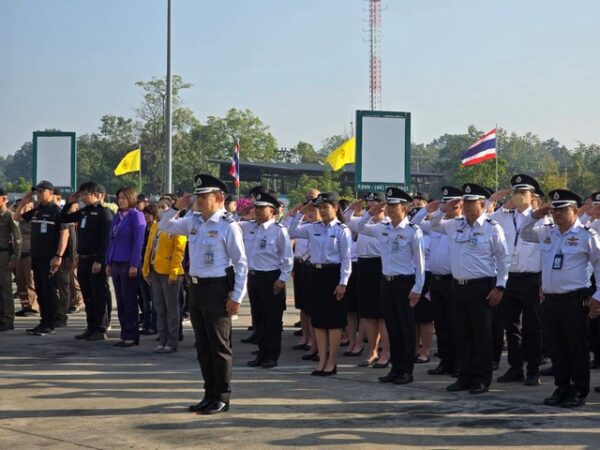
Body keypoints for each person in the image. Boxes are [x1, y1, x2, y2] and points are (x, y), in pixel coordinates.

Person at [160, 174, 247, 415]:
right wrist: (176, 207)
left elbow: (241, 264)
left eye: (204, 196)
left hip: (217, 288)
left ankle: (222, 397)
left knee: (219, 346)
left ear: (218, 198)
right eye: (197, 196)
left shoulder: (228, 225)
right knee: (203, 345)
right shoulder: (194, 221)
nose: (198, 200)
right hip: (196, 288)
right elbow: (165, 226)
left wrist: (236, 297)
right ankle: (209, 393)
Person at [521, 189, 600, 408]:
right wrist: (536, 214)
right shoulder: (548, 232)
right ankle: (562, 387)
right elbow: (524, 233)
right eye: (554, 210)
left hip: (575, 300)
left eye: (562, 210)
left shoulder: (587, 235)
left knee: (577, 348)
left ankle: (579, 389)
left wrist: (598, 296)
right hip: (550, 300)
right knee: (557, 347)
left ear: (574, 211)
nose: (556, 214)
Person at [430, 183, 510, 394]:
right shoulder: (455, 225)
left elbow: (503, 259)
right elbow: (433, 225)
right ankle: (464, 376)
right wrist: (444, 209)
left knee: (481, 334)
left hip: (481, 287)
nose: (465, 206)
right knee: (462, 333)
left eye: (470, 202)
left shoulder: (492, 227)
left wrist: (500, 286)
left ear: (482, 204)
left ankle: (481, 378)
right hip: (458, 286)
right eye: (464, 202)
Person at [356, 187, 425, 385]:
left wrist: (418, 288)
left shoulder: (413, 231)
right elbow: (359, 227)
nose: (390, 208)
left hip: (405, 282)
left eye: (395, 205)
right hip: (386, 282)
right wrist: (370, 212)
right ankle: (395, 368)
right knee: (392, 327)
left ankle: (406, 371)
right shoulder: (382, 228)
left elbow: (420, 262)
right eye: (389, 205)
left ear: (405, 208)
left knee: (406, 328)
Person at [486, 175, 545, 386]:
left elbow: (547, 252)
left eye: (523, 193)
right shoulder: (503, 217)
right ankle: (515, 367)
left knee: (532, 327)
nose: (519, 196)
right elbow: (483, 216)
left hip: (532, 278)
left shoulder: (542, 220)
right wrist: (493, 199)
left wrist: (544, 281)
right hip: (509, 278)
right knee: (510, 327)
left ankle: (533, 369)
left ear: (532, 196)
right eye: (516, 192)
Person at [289, 192, 352, 376]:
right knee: (318, 321)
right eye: (320, 207)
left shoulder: (342, 230)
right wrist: (302, 212)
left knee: (333, 322)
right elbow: (292, 231)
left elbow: (346, 259)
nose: (322, 211)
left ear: (336, 208)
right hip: (315, 274)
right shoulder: (312, 228)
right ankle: (322, 360)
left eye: (326, 207)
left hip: (333, 275)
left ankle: (331, 362)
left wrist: (343, 283)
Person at [239, 191, 293, 368]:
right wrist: (244, 210)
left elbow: (287, 258)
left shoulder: (278, 230)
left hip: (271, 278)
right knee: (258, 318)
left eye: (262, 208)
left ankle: (272, 355)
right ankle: (261, 353)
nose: (257, 211)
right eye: (256, 208)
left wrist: (282, 279)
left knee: (272, 319)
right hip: (254, 277)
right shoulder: (249, 226)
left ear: (272, 211)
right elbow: (230, 222)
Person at [413, 186, 463, 376]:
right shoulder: (435, 224)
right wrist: (428, 209)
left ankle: (458, 362)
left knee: (455, 323)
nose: (447, 207)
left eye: (451, 204)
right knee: (441, 323)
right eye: (445, 203)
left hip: (453, 280)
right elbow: (414, 222)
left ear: (459, 205)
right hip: (436, 280)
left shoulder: (462, 224)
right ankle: (445, 360)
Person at [59, 182, 114, 341]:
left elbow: (106, 239)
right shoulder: (84, 212)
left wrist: (100, 260)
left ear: (98, 195)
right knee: (88, 295)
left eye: (86, 194)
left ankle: (101, 328)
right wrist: (69, 203)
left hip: (95, 259)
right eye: (82, 194)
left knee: (99, 295)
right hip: (83, 258)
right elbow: (63, 218)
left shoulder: (104, 213)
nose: (83, 197)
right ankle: (91, 326)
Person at [15, 181, 68, 336]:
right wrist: (24, 203)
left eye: (41, 191)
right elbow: (17, 218)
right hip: (37, 257)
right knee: (40, 290)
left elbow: (64, 234)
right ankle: (44, 321)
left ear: (50, 192)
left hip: (49, 258)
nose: (37, 194)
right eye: (37, 191)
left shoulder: (56, 211)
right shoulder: (38, 210)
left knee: (48, 291)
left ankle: (50, 323)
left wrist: (58, 256)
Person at [345, 192, 391, 368]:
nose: (371, 205)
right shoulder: (364, 223)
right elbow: (347, 220)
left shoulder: (388, 224)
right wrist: (353, 207)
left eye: (375, 203)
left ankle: (386, 351)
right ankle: (372, 351)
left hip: (380, 265)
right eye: (369, 203)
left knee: (382, 315)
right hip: (363, 266)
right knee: (368, 314)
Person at [142, 204, 186, 353]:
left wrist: (174, 273)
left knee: (172, 308)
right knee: (159, 307)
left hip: (170, 272)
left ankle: (172, 341)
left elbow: (179, 251)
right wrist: (145, 269)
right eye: (160, 207)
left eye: (165, 207)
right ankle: (162, 339)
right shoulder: (156, 226)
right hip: (155, 270)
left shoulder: (178, 227)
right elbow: (149, 248)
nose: (162, 210)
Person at [105, 186, 146, 347]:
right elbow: (112, 240)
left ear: (131, 199)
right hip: (116, 261)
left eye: (124, 198)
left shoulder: (137, 216)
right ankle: (124, 333)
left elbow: (138, 242)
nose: (121, 201)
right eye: (119, 198)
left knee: (129, 301)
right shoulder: (118, 216)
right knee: (120, 301)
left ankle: (132, 335)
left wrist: (134, 264)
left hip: (128, 263)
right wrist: (108, 261)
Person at [0, 187, 22, 331]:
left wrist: (15, 258)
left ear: (4, 199)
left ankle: (8, 319)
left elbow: (18, 239)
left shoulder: (9, 216)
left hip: (3, 255)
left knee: (5, 288)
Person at [14, 198, 38, 317]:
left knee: (30, 282)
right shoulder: (18, 220)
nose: (22, 208)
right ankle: (25, 305)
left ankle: (33, 306)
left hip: (30, 254)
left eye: (25, 206)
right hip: (19, 254)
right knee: (20, 282)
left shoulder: (34, 219)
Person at [139, 204, 159, 335]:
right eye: (145, 213)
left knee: (154, 299)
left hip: (153, 268)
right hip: (142, 266)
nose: (146, 216)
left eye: (149, 214)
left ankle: (154, 325)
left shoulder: (157, 229)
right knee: (145, 298)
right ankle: (146, 324)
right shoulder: (143, 229)